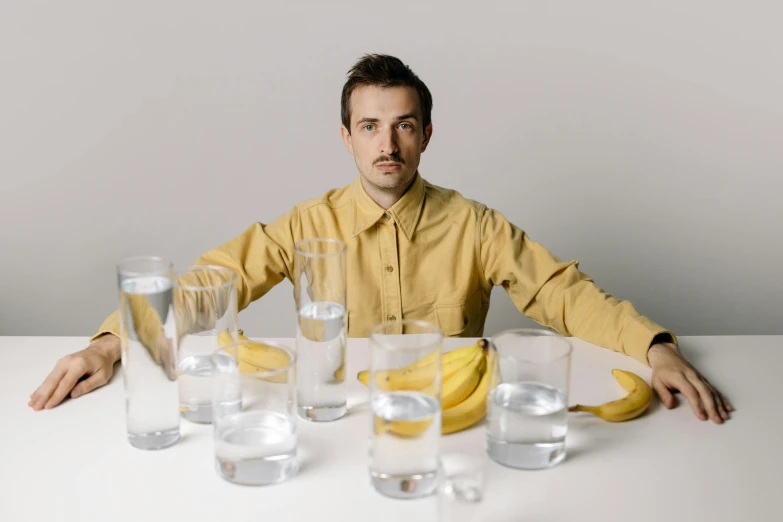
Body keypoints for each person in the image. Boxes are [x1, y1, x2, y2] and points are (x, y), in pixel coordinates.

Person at [29, 53, 733, 424]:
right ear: (346, 137)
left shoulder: (475, 225)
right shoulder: (307, 224)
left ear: (425, 134)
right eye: (369, 126)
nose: (386, 143)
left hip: (456, 429)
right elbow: (218, 278)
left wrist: (654, 347)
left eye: (402, 125)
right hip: (339, 424)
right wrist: (113, 340)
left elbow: (561, 292)